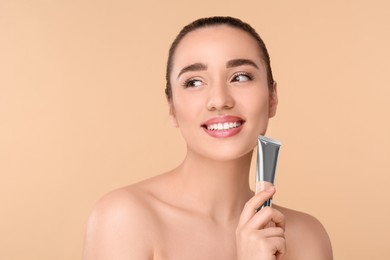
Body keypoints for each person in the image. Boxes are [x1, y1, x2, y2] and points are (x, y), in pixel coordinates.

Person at [82, 16, 333, 260]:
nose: (220, 100)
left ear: (272, 98)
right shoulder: (124, 219)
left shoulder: (305, 237)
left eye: (241, 77)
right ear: (171, 108)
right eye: (194, 82)